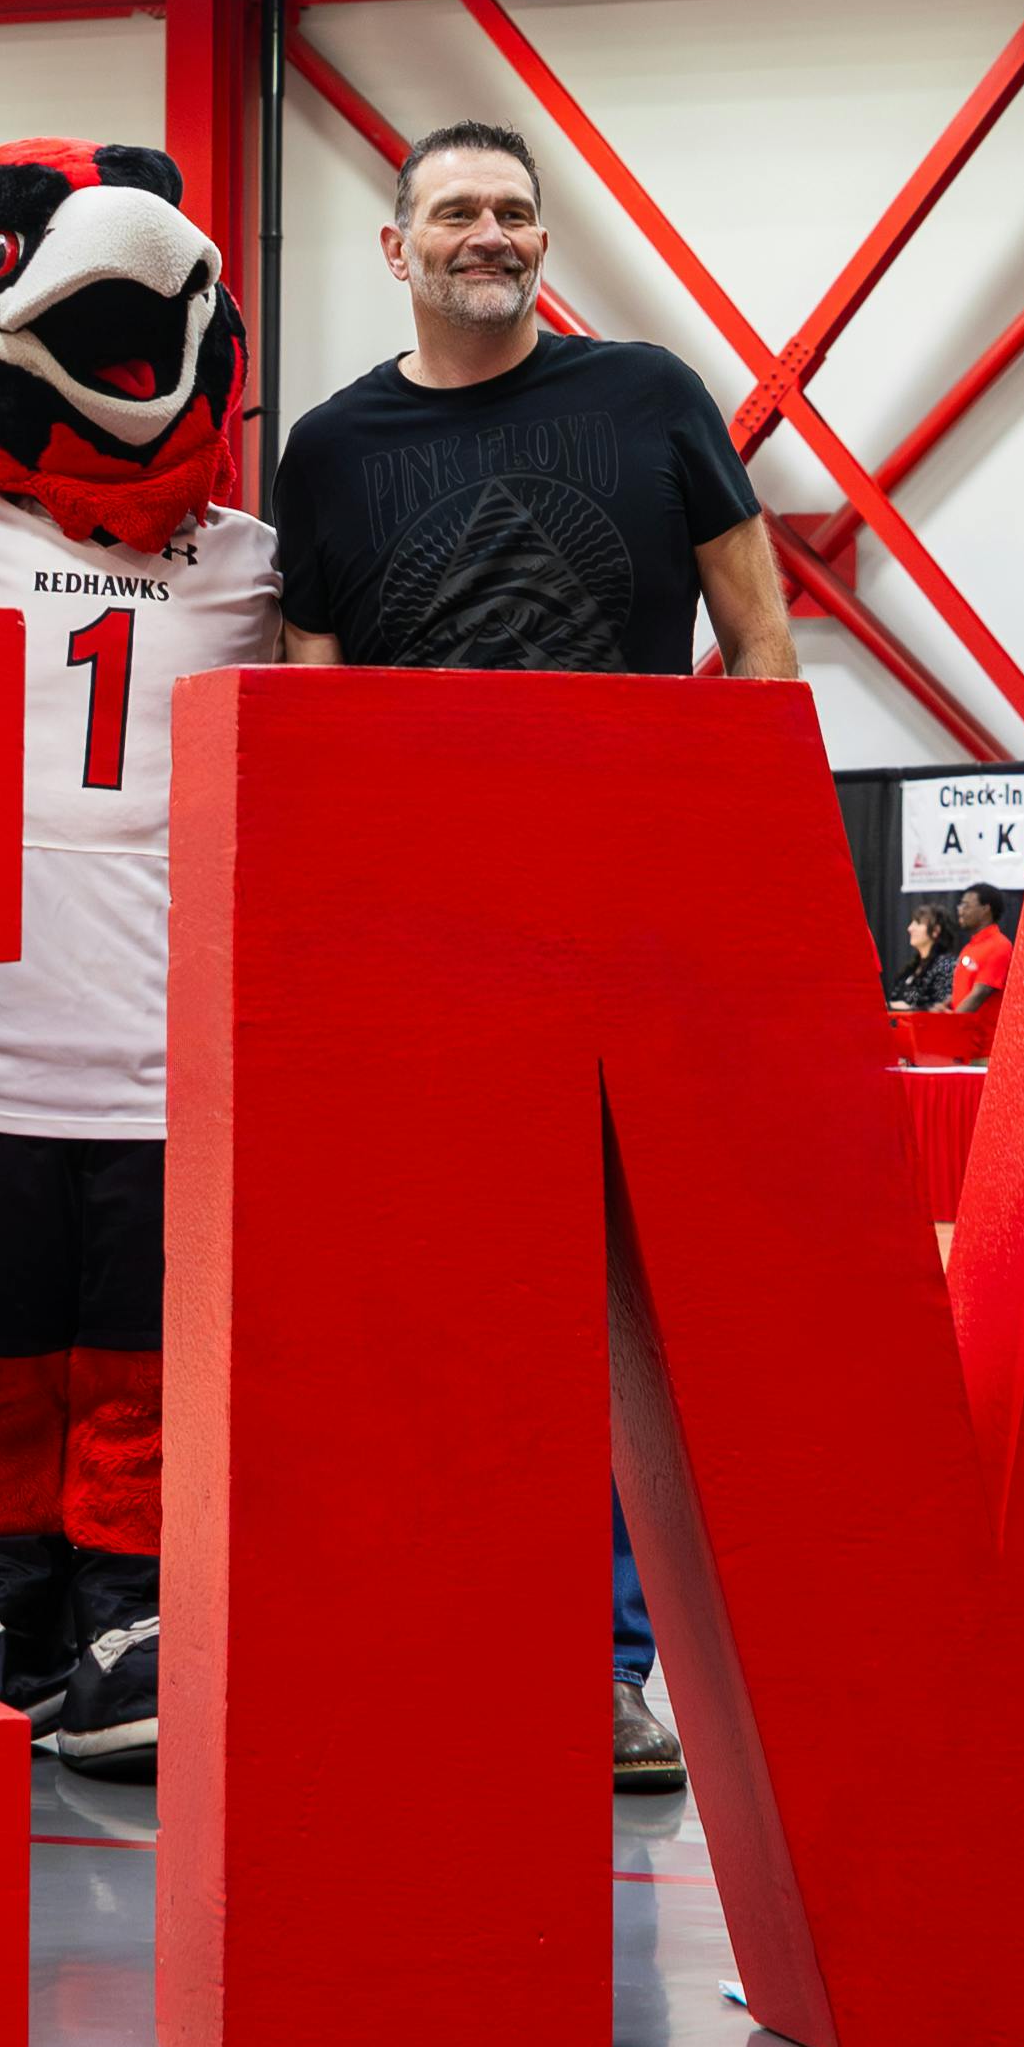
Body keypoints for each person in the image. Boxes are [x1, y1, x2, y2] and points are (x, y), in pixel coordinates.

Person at [266, 119, 798, 1797]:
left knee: (613, 1310)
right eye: (457, 211)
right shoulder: (332, 450)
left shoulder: (647, 395)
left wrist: (758, 869)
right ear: (397, 245)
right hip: (420, 942)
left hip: (628, 919)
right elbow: (312, 699)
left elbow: (759, 628)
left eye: (514, 209)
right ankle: (446, 1628)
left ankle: (617, 1663)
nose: (488, 232)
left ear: (539, 239)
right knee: (435, 1303)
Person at [0, 141, 270, 1778]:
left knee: (144, 1376)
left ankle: (133, 1608)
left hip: (173, 1054)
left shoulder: (249, 559)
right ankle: (2, 1600)